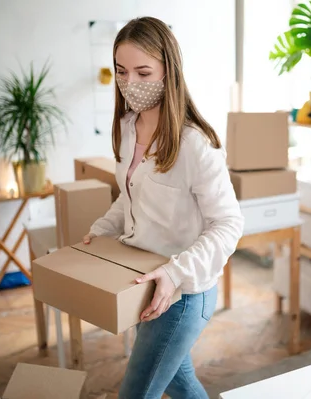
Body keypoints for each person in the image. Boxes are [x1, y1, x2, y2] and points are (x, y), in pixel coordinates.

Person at [82, 16, 244, 399]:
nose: (130, 84)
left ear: (168, 72)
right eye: (122, 72)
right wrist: (102, 230)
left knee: (136, 393)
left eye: (143, 72)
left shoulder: (195, 144)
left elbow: (228, 224)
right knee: (180, 382)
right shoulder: (127, 126)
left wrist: (175, 272)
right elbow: (130, 195)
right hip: (144, 281)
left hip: (183, 293)